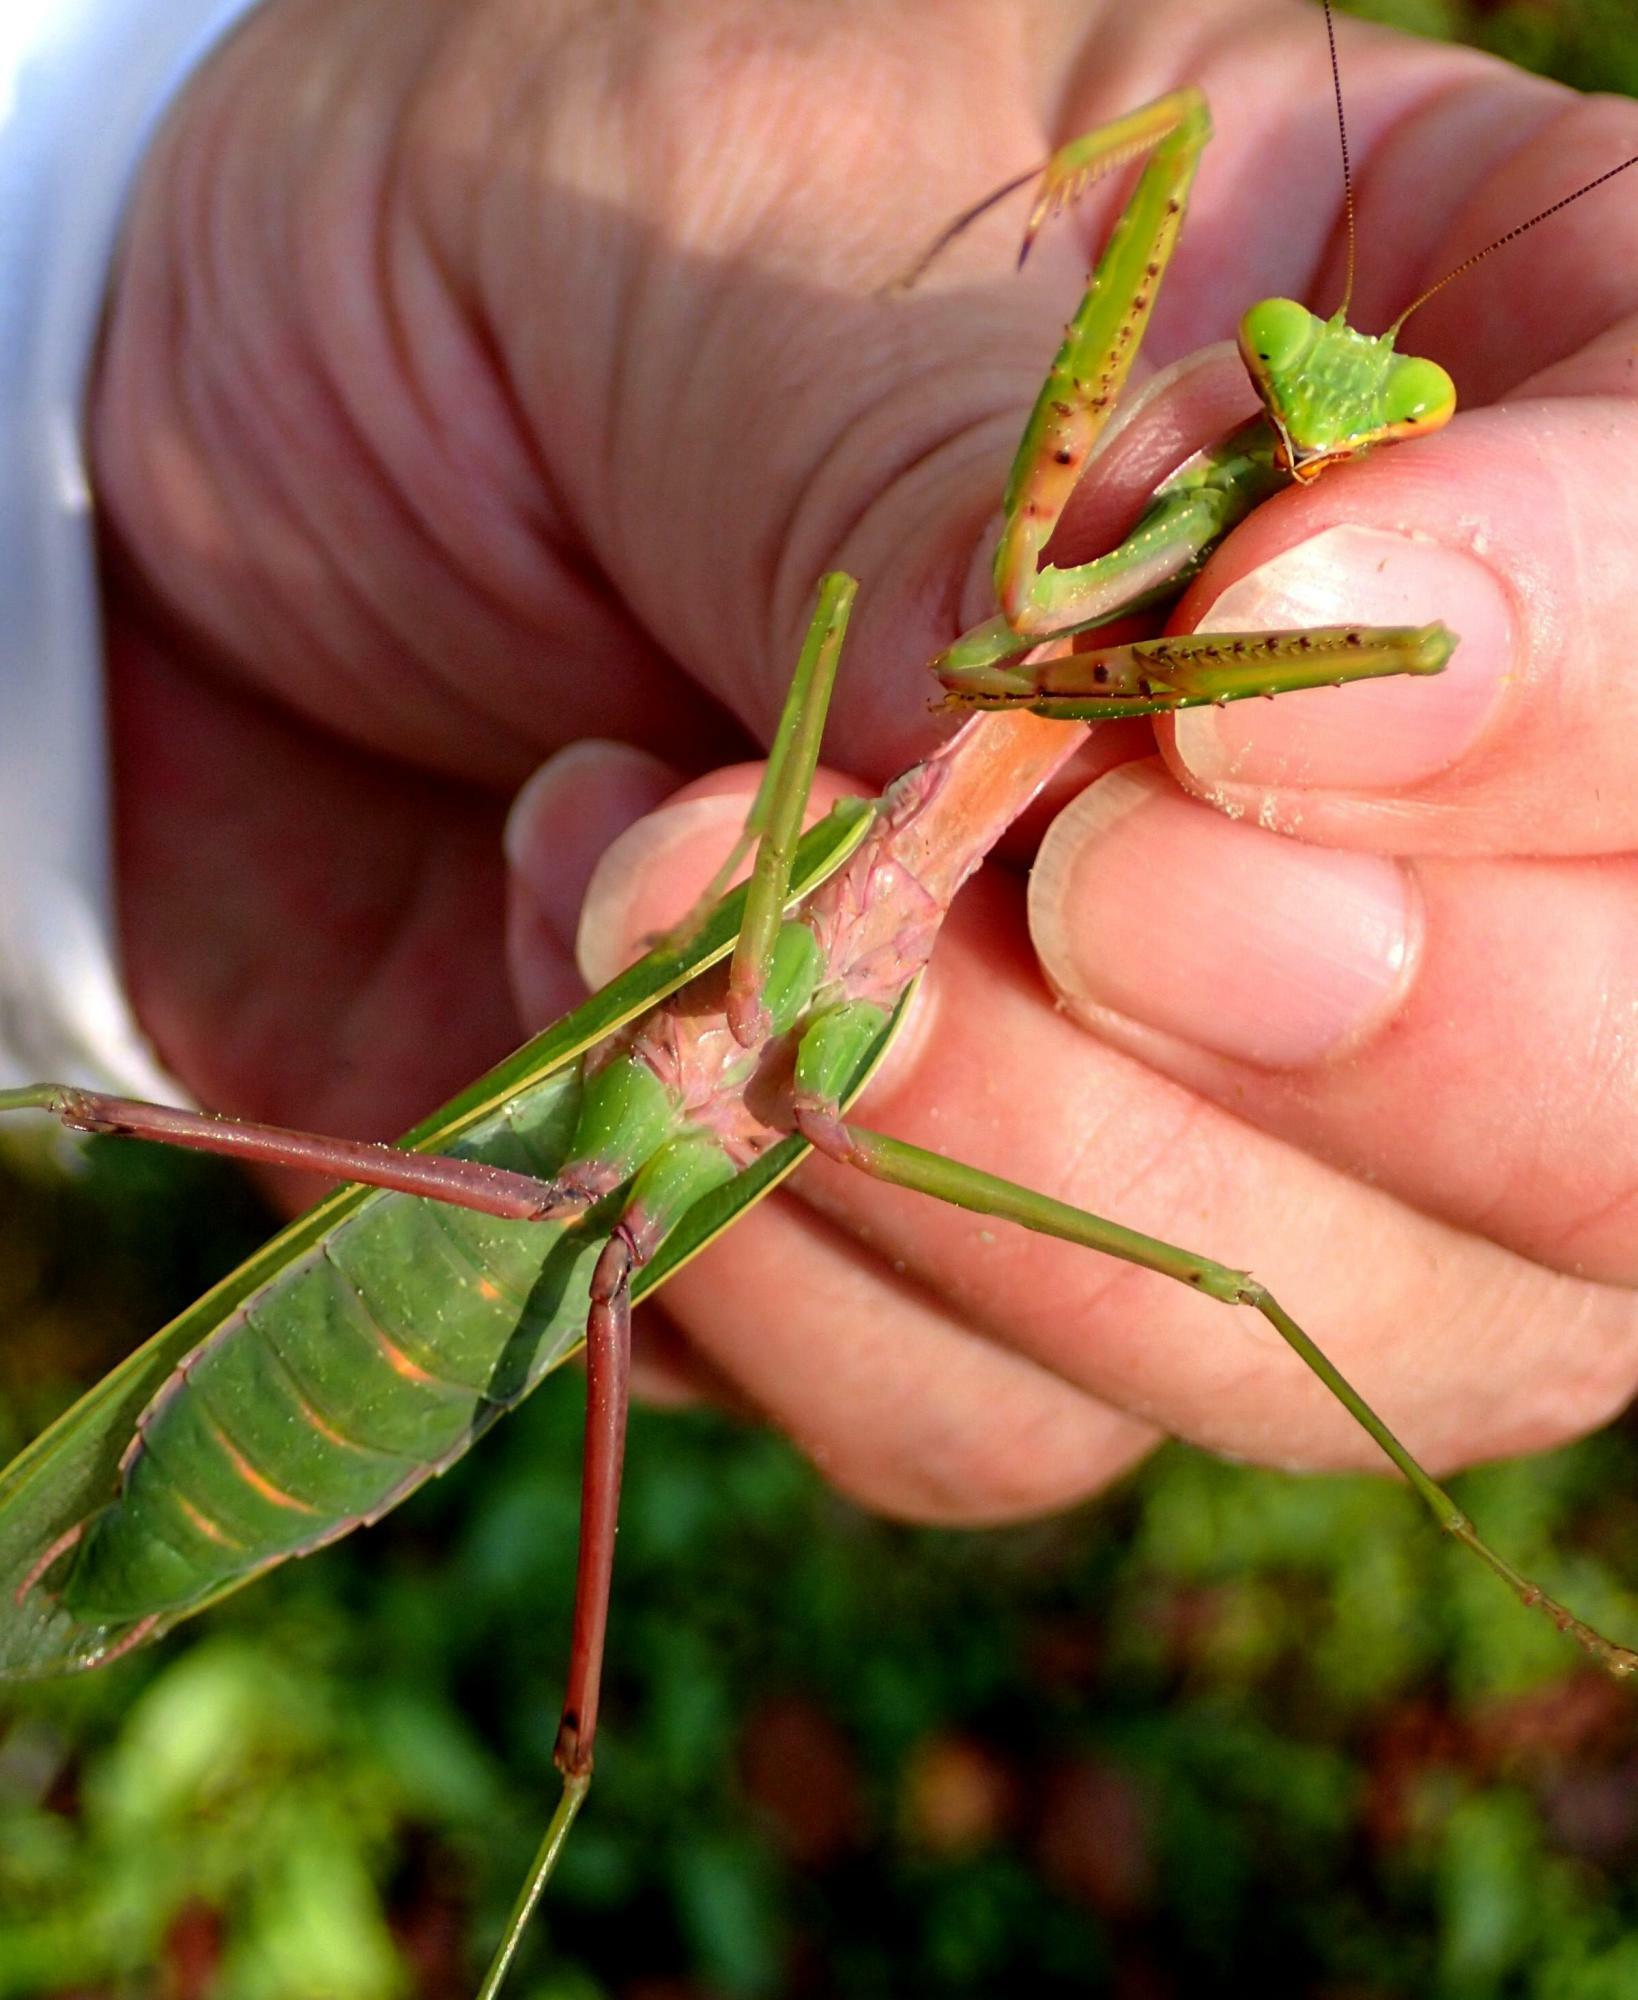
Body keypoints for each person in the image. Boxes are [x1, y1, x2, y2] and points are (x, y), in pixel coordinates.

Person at [15, 0, 1638, 1522]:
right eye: (1286, 351)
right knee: (885, 618)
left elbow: (1379, 638)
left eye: (1387, 414)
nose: (1311, 405)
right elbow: (948, 611)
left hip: (693, 1057)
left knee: (1231, 1262)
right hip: (628, 1017)